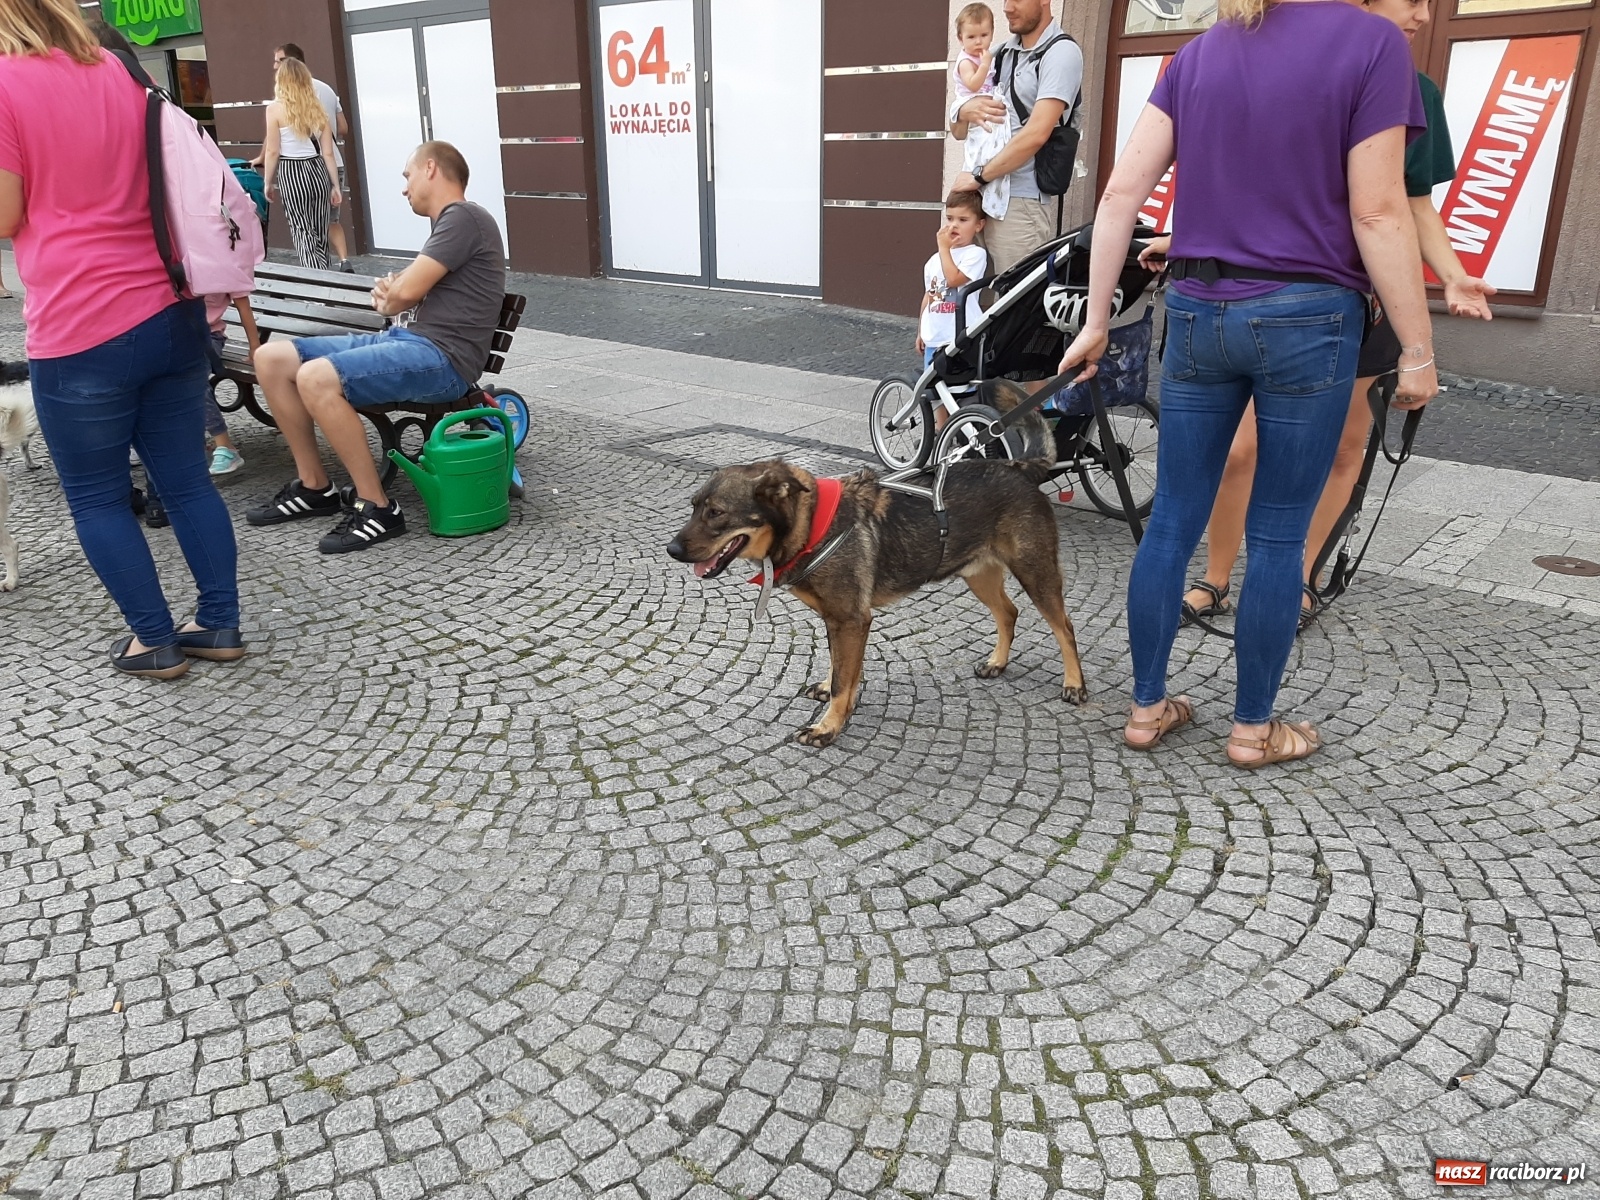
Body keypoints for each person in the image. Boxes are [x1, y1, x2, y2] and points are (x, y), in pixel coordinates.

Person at [1057, 0, 1439, 767]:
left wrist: (1096, 319)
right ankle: (1252, 730)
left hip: (1198, 311)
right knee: (1277, 534)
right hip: (1309, 315)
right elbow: (1378, 211)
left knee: (1171, 524)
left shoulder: (1200, 53)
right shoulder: (1370, 44)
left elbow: (1118, 197)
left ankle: (1144, 709)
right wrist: (1419, 349)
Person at [1173, 0, 1494, 631]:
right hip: (1291, 300)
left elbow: (1413, 206)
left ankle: (1296, 581)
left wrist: (1453, 275)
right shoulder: (1285, 61)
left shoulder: (1416, 87)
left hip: (1368, 302)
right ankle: (1216, 577)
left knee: (1348, 448)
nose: (1424, 16)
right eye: (1412, 0)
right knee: (1242, 450)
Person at [0, 0, 244, 678]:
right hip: (169, 309)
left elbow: (6, 211)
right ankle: (219, 622)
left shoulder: (4, 84)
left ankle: (154, 640)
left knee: (97, 496)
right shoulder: (112, 67)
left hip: (81, 328)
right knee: (188, 482)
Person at [246, 141, 505, 554]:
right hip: (405, 343)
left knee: (315, 378)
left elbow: (401, 294)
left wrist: (395, 293)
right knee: (271, 358)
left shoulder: (464, 218)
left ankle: (378, 507)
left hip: (440, 360)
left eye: (407, 175)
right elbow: (395, 291)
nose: (404, 188)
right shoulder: (451, 226)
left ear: (431, 169)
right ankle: (315, 487)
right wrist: (395, 293)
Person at [949, 0, 1084, 273]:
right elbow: (958, 131)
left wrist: (977, 176)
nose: (1008, 8)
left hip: (1020, 203)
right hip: (977, 200)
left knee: (1014, 304)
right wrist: (965, 110)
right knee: (970, 300)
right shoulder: (998, 54)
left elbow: (1037, 134)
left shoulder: (1061, 53)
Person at [272, 43, 354, 272]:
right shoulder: (326, 90)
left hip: (301, 166)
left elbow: (276, 143)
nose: (275, 66)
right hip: (331, 163)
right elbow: (343, 127)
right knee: (328, 221)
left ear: (290, 63)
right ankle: (343, 260)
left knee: (303, 228)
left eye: (279, 61)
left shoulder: (288, 96)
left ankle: (317, 278)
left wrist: (269, 177)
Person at [262, 57, 341, 270]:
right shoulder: (318, 109)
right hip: (317, 170)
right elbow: (328, 153)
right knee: (320, 230)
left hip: (292, 171)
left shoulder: (274, 110)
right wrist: (335, 185)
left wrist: (267, 183)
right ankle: (328, 280)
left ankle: (317, 285)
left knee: (302, 230)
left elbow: (272, 151)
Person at [916, 191, 988, 372]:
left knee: (961, 389)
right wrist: (921, 331)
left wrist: (944, 248)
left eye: (963, 220)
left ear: (978, 225)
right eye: (949, 218)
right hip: (934, 336)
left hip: (961, 336)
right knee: (933, 391)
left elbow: (954, 279)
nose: (954, 225)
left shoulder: (975, 254)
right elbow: (928, 296)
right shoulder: (934, 260)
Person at [952, 3, 1010, 219]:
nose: (978, 42)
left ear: (992, 33)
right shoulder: (967, 61)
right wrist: (985, 64)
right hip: (973, 110)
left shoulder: (985, 55)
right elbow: (974, 84)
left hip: (984, 112)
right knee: (978, 152)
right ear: (960, 39)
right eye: (971, 37)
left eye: (984, 35)